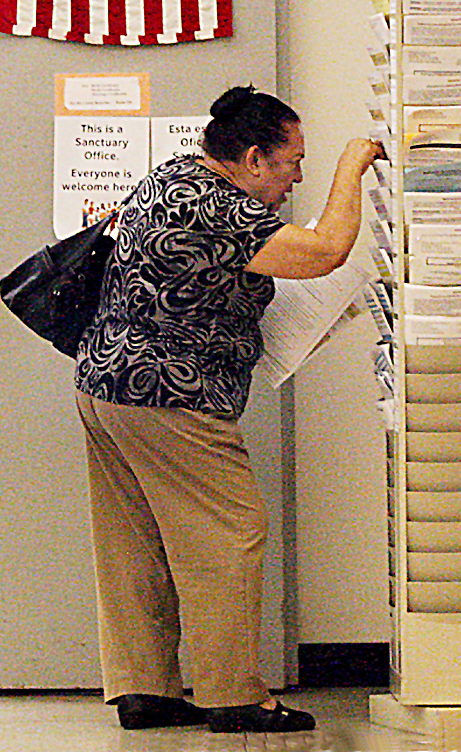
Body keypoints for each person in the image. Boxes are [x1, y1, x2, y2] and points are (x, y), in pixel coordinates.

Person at [74, 85, 382, 733]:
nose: (296, 175)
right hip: (170, 397)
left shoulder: (172, 177)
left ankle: (145, 688)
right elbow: (325, 249)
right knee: (230, 532)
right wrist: (352, 164)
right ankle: (235, 695)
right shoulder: (220, 208)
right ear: (251, 157)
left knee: (134, 539)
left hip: (106, 383)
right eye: (292, 161)